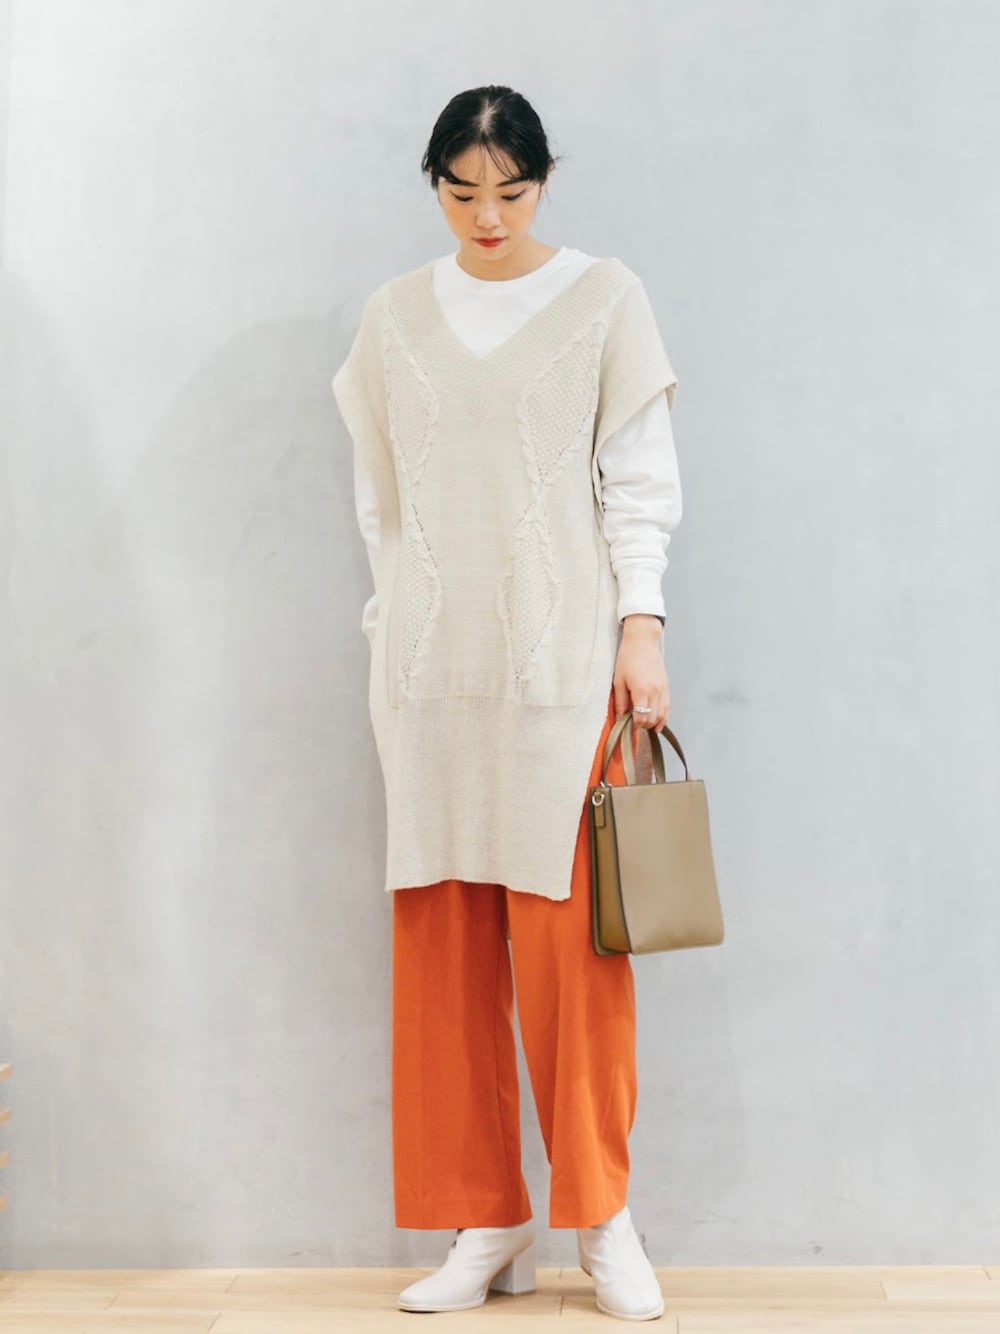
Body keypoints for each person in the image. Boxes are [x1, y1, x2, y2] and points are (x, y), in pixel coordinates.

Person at [332, 84, 683, 1322]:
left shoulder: (604, 300)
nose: (487, 216)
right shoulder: (392, 318)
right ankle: (485, 1220)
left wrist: (640, 624)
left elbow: (639, 480)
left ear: (543, 181)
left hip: (562, 672)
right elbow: (380, 502)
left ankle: (603, 1219)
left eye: (512, 191)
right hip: (428, 678)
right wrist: (391, 623)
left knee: (574, 959)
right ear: (433, 183)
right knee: (443, 957)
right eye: (461, 191)